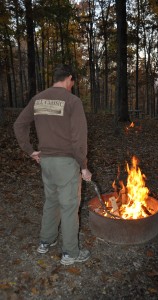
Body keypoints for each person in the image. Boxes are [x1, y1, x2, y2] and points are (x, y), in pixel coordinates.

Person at [14, 64, 92, 266]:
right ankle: (70, 253)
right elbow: (79, 138)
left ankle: (45, 242)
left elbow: (19, 124)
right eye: (73, 82)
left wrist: (30, 150)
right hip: (66, 163)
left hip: (46, 162)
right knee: (68, 207)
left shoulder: (38, 99)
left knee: (52, 202)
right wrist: (83, 165)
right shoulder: (72, 101)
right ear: (69, 78)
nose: (72, 86)